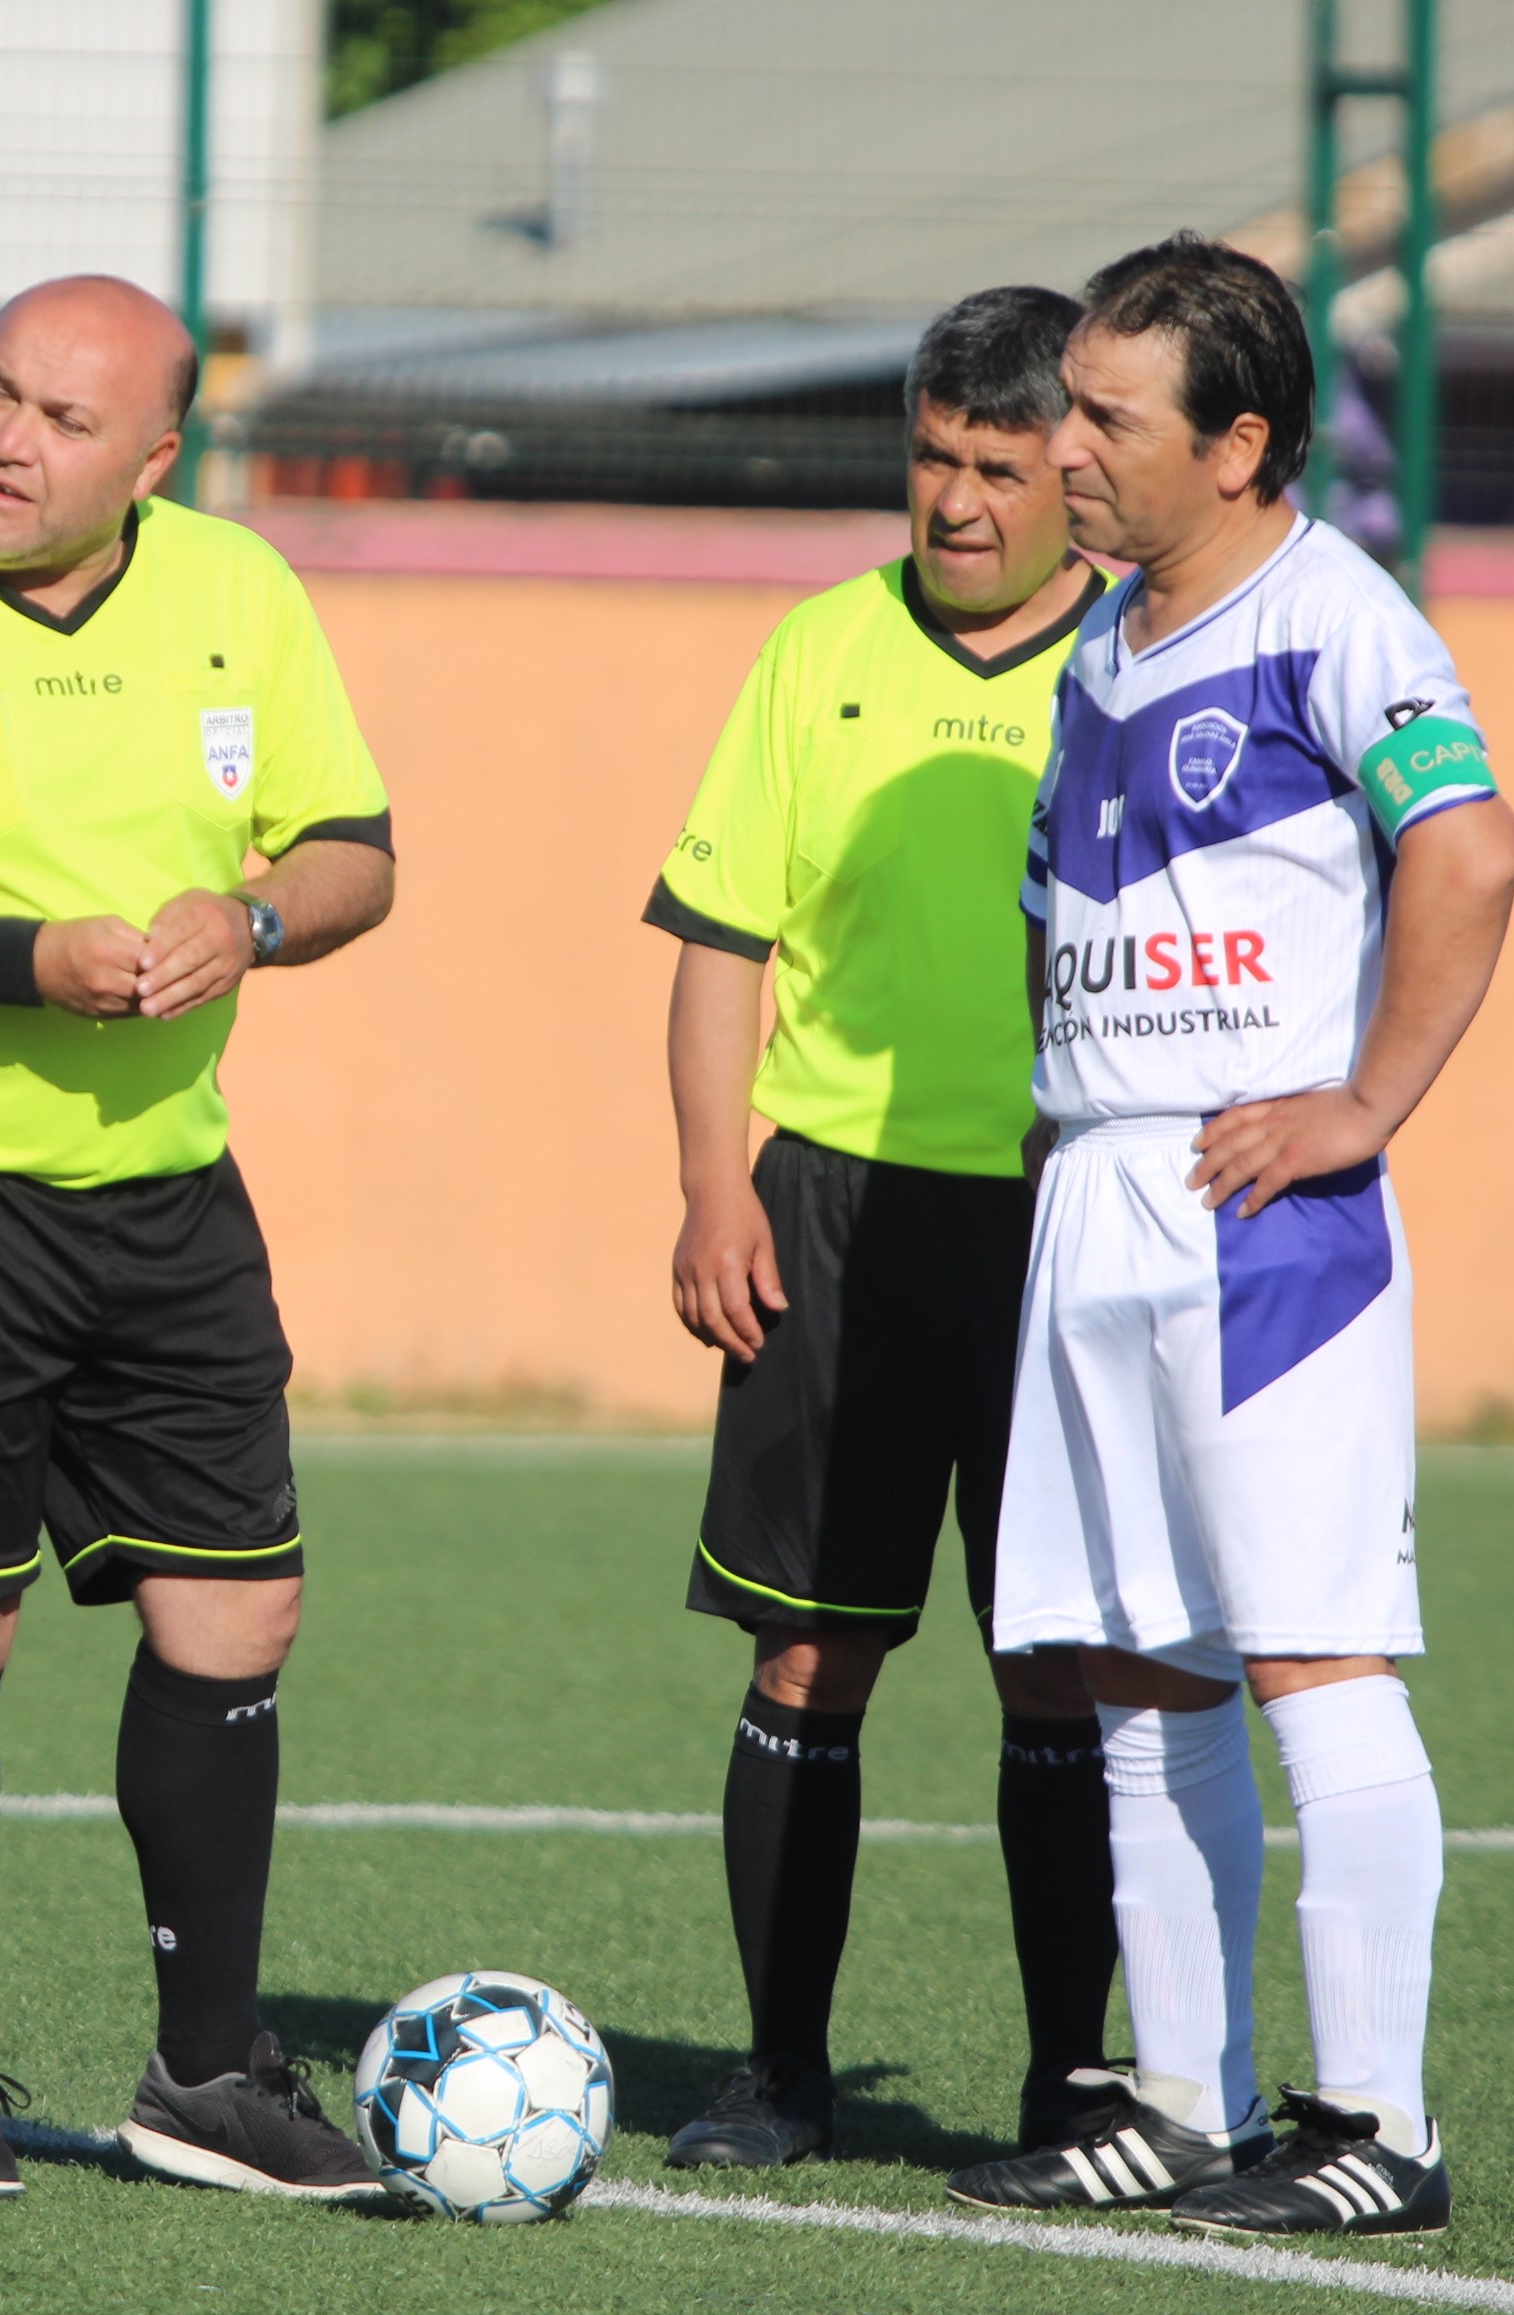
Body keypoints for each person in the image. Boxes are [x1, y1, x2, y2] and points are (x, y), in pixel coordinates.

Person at [0, 274, 397, 2201]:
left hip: (168, 1186)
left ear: (156, 460)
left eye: (61, 420)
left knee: (238, 1611)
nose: (5, 440)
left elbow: (355, 853)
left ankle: (204, 2074)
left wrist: (252, 922)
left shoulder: (238, 591)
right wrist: (11, 960)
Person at [944, 235, 1514, 2239]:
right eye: (1070, 409)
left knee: (1307, 1648)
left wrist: (1363, 1100)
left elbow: (1471, 848)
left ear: (1241, 442)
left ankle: (1378, 2121)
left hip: (1258, 1211)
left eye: (1107, 419)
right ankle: (1187, 2095)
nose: (1063, 449)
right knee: (1142, 1665)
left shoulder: (1336, 614)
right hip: (1101, 1186)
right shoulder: (1104, 639)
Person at [647, 287, 1119, 2171]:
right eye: (933, 457)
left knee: (1056, 1667)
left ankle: (1073, 2081)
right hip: (828, 1210)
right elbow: (720, 941)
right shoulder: (817, 649)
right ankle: (778, 2072)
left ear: (1073, 470)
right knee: (802, 1661)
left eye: (999, 466)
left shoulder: (1138, 664)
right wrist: (713, 1185)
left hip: (1061, 1214)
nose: (957, 500)